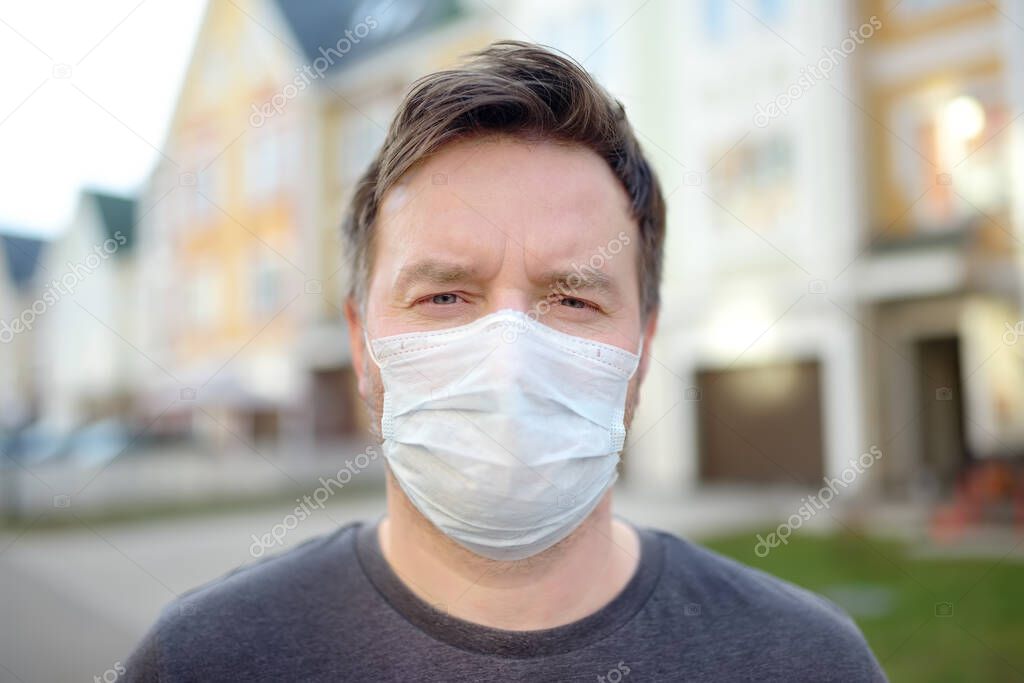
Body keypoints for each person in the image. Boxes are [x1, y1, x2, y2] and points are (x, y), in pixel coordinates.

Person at [124, 40, 886, 682]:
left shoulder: (807, 662)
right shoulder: (204, 660)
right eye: (447, 296)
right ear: (361, 343)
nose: (508, 357)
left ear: (645, 347)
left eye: (572, 300)